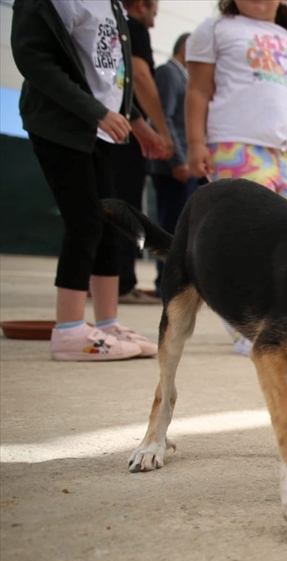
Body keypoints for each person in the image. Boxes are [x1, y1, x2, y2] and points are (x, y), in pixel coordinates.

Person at [12, 0, 167, 361]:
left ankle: (107, 322)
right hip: (64, 125)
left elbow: (110, 72)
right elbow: (34, 59)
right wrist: (94, 112)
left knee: (109, 224)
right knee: (84, 222)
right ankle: (68, 330)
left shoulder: (112, 5)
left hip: (101, 130)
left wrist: (138, 121)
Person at [187, 0, 287, 354]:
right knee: (243, 241)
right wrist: (195, 142)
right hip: (236, 146)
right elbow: (198, 90)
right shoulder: (216, 29)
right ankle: (245, 327)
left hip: (285, 156)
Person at [111, 0, 174, 305]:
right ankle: (122, 282)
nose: (153, 21)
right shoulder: (132, 29)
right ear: (140, 5)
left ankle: (114, 281)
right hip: (123, 131)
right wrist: (159, 128)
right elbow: (140, 77)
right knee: (125, 207)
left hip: (107, 126)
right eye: (154, 13)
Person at [149, 32, 197, 297]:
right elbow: (163, 118)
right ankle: (165, 285)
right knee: (171, 228)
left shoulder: (186, 77)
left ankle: (176, 283)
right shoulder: (169, 74)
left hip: (186, 168)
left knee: (182, 229)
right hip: (173, 168)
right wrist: (177, 159)